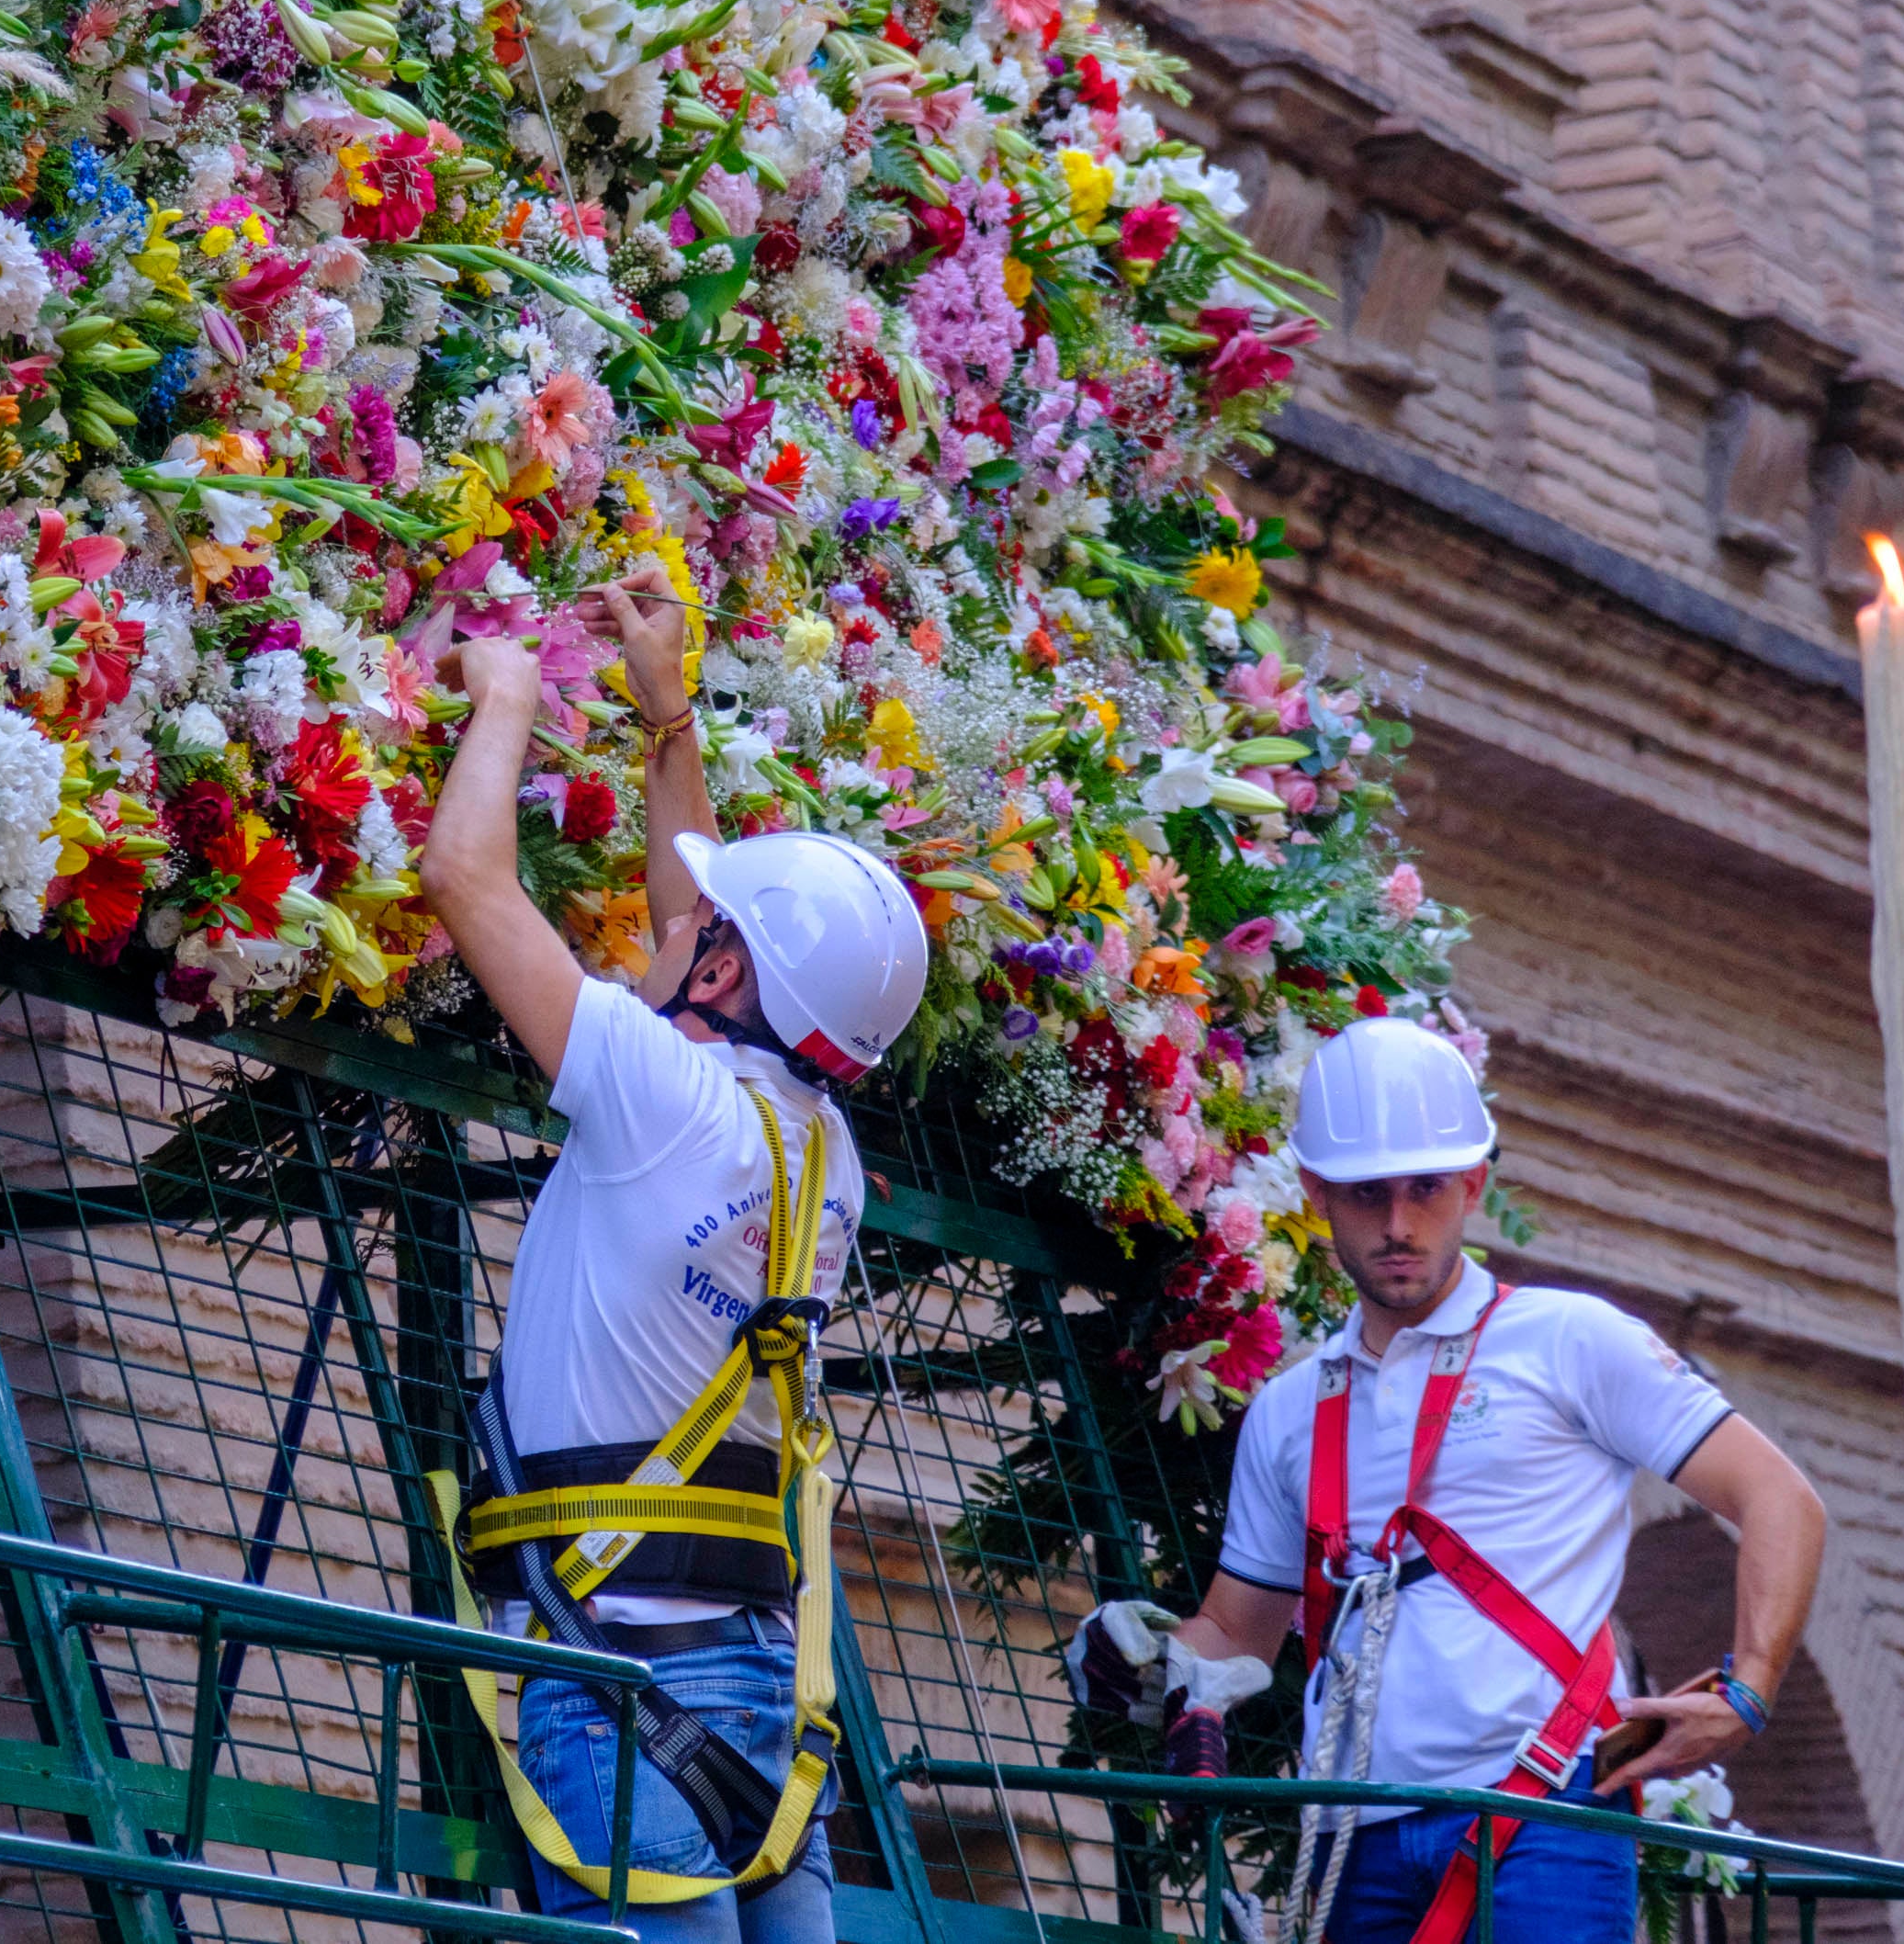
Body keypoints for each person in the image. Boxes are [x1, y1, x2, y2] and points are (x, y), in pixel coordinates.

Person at [414, 563, 929, 1944]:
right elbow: (700, 926)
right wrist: (666, 719)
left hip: (622, 1690)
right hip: (764, 1693)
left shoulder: (658, 1097)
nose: (681, 933)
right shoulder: (825, 1159)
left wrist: (510, 694)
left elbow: (464, 875)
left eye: (711, 936)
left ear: (724, 974)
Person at [1065, 1017, 1830, 1944]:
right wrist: (1151, 1656)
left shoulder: (1569, 1341)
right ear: (1314, 1194)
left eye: (1425, 1187)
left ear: (1472, 1183)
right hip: (1357, 1839)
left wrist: (1747, 1691)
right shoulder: (1289, 1412)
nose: (1396, 1224)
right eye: (1365, 1194)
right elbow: (1240, 1631)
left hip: (1544, 1819)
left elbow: (1779, 1497)